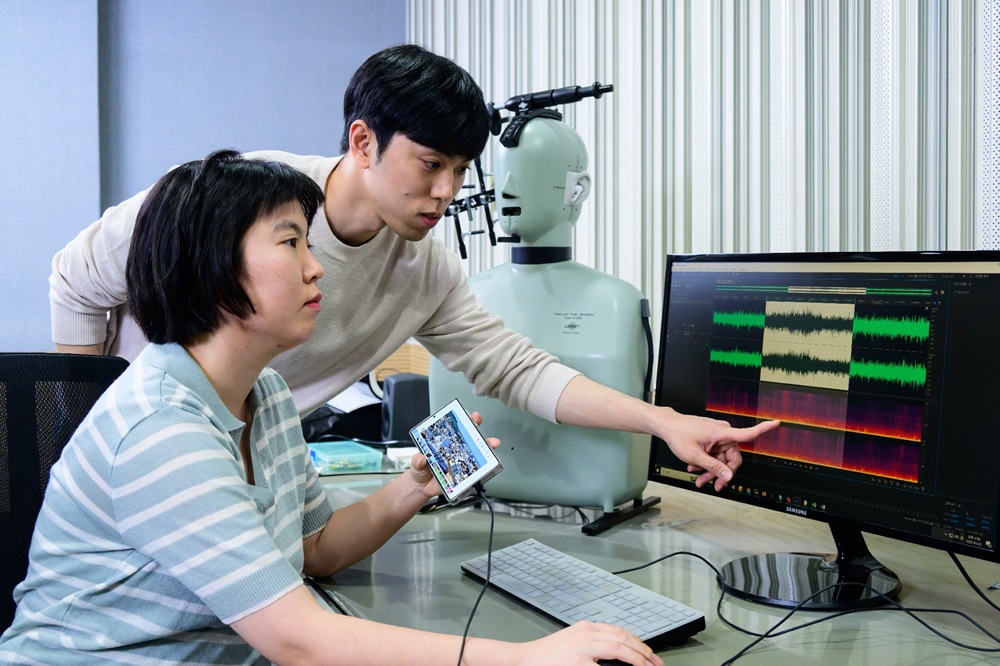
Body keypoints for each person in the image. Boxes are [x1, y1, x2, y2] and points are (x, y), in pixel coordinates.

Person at [1, 150, 662, 665]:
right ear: (213, 266)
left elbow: (314, 549)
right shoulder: (161, 429)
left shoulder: (264, 393)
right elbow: (302, 643)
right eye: (291, 243)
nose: (316, 268)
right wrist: (524, 657)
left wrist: (413, 488)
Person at [49, 43, 777, 495]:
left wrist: (662, 422)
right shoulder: (236, 202)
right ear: (363, 142)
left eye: (460, 170)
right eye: (430, 165)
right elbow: (75, 277)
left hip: (249, 465)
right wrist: (78, 435)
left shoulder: (424, 268)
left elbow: (516, 368)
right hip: (147, 455)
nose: (447, 191)